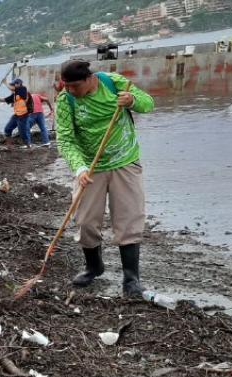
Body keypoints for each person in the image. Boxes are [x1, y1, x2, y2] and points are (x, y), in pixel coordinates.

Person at [55, 59, 154, 297]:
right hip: (90, 168)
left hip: (125, 161)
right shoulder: (66, 100)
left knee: (129, 218)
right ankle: (94, 266)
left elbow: (148, 104)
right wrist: (79, 168)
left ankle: (131, 278)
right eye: (66, 86)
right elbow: (65, 139)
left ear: (90, 79)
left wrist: (132, 101)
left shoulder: (114, 83)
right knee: (85, 220)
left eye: (75, 86)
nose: (71, 91)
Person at [0, 78, 33, 149]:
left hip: (23, 116)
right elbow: (3, 100)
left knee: (22, 133)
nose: (13, 86)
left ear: (19, 84)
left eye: (14, 84)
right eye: (13, 84)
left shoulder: (23, 89)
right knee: (7, 129)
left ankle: (29, 146)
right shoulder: (14, 95)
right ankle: (9, 147)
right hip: (16, 115)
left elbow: (12, 89)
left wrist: (5, 83)